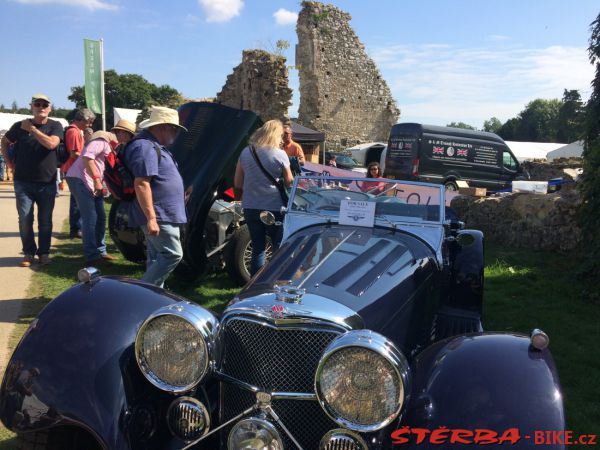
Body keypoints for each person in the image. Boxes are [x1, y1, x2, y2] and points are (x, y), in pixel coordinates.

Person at [123, 106, 187, 287]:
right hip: (159, 214)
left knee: (156, 257)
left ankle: (153, 299)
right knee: (172, 254)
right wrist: (151, 218)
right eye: (174, 128)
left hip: (162, 213)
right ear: (163, 126)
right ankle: (143, 294)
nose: (176, 132)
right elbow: (141, 183)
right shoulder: (145, 146)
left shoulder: (153, 146)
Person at [0, 94, 63, 267]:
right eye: (37, 104)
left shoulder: (55, 126)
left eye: (45, 104)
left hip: (46, 182)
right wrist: (8, 161)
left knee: (45, 221)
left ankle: (44, 253)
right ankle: (28, 253)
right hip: (23, 182)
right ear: (32, 107)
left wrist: (33, 130)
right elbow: (4, 142)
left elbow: (51, 144)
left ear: (50, 108)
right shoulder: (19, 126)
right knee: (25, 219)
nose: (41, 107)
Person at [234, 119, 293, 275]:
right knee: (278, 247)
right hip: (273, 206)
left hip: (250, 205)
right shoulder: (280, 154)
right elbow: (290, 182)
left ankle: (254, 286)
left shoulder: (246, 152)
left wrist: (241, 201)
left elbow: (238, 183)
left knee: (258, 248)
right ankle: (274, 281)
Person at [65, 131, 117, 265]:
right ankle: (93, 256)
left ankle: (100, 251)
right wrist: (96, 180)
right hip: (81, 180)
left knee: (100, 217)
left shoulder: (105, 145)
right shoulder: (101, 142)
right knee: (91, 218)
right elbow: (88, 157)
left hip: (85, 180)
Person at [63, 108, 96, 238]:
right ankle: (76, 229)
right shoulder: (74, 131)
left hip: (72, 170)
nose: (90, 125)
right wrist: (88, 159)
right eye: (90, 122)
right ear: (83, 120)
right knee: (78, 201)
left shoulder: (75, 131)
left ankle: (76, 228)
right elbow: (74, 153)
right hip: (73, 170)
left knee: (76, 201)